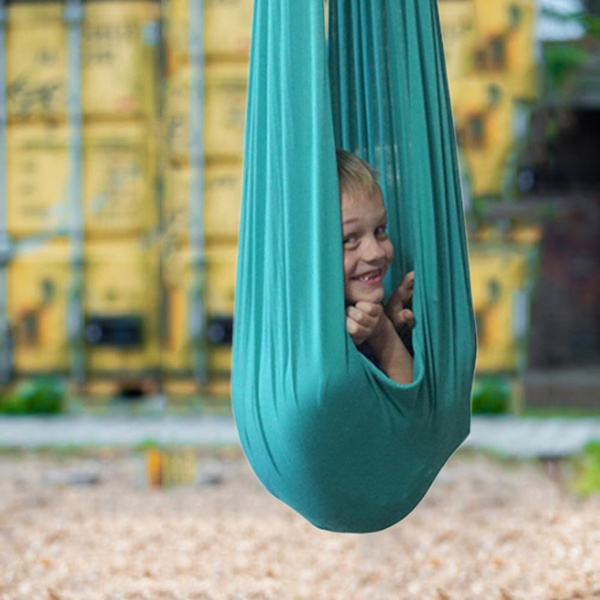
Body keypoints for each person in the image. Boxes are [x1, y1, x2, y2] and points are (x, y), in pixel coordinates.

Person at [337, 148, 415, 384]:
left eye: (380, 230)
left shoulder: (361, 311)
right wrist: (383, 334)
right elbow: (411, 407)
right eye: (350, 239)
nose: (376, 252)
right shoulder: (309, 336)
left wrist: (385, 321)